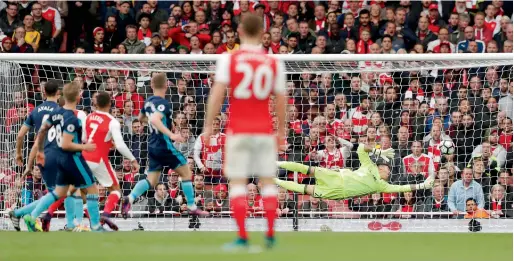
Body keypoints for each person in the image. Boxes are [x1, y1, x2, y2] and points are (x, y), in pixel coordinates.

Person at [203, 14, 286, 250]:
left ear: (239, 31)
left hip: (238, 130)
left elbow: (218, 93)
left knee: (238, 183)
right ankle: (270, 235)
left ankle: (242, 237)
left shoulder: (229, 59)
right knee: (268, 183)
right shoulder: (273, 62)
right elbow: (281, 99)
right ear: (263, 32)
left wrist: (209, 125)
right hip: (264, 130)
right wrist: (280, 131)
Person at [23, 82, 108, 232]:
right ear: (78, 97)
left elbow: (42, 131)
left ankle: (33, 216)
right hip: (72, 158)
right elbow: (65, 144)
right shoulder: (72, 119)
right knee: (92, 189)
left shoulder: (56, 114)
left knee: (60, 193)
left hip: (59, 159)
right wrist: (85, 147)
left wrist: (41, 150)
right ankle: (95, 226)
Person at [120, 73, 206, 219]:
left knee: (152, 180)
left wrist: (157, 123)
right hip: (163, 145)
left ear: (152, 85)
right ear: (167, 85)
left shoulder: (148, 102)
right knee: (186, 173)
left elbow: (141, 118)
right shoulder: (163, 102)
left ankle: (130, 197)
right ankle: (192, 207)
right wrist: (171, 135)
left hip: (152, 146)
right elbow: (154, 118)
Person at [275, 144, 435, 200]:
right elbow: (360, 148)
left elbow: (403, 188)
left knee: (305, 189)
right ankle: (277, 163)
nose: (389, 173)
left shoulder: (381, 186)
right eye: (388, 169)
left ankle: (274, 181)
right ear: (381, 167)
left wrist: (423, 184)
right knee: (307, 169)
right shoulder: (369, 165)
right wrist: (379, 151)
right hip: (337, 175)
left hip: (339, 191)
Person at [82, 91, 140, 231]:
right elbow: (120, 145)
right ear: (110, 103)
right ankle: (106, 214)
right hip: (99, 159)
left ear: (96, 103)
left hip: (84, 158)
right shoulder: (112, 121)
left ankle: (90, 215)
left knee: (83, 192)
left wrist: (106, 142)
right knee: (115, 190)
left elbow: (85, 138)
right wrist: (133, 159)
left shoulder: (89, 117)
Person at [9, 80, 61, 231]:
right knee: (59, 193)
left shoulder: (36, 110)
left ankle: (19, 213)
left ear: (44, 93)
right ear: (58, 92)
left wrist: (20, 156)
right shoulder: (59, 110)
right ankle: (28, 216)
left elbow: (20, 136)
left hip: (41, 156)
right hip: (55, 156)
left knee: (58, 192)